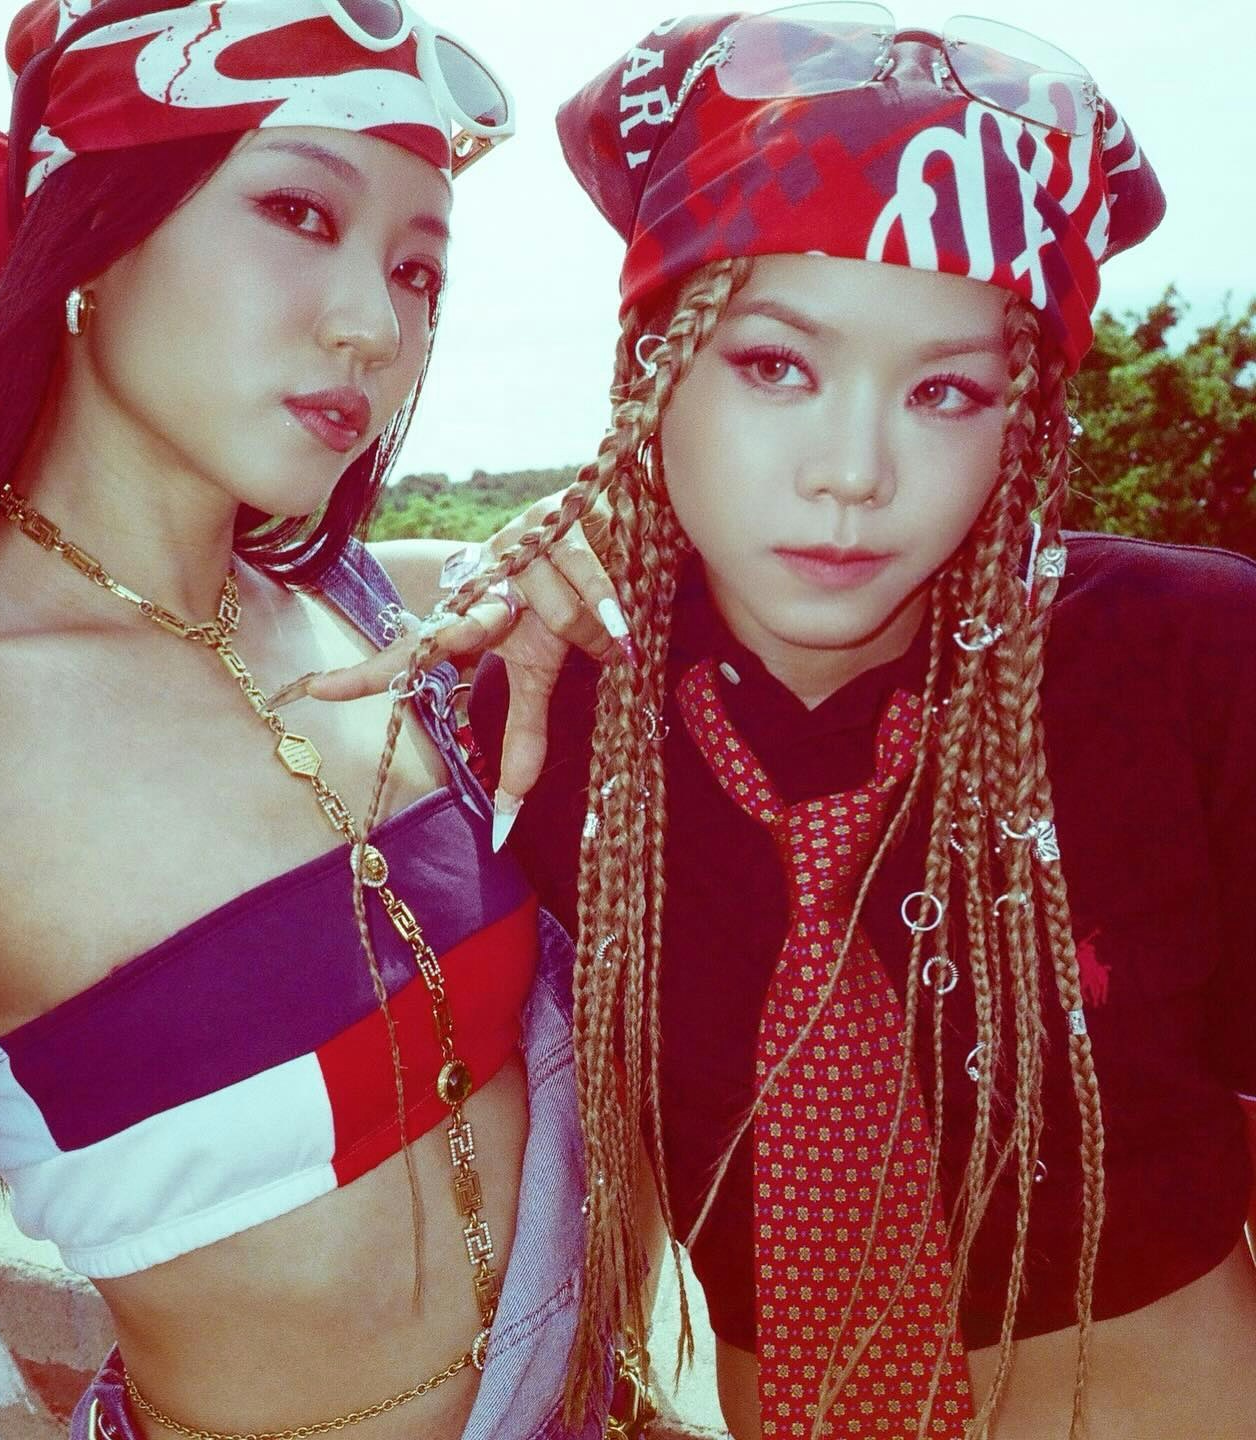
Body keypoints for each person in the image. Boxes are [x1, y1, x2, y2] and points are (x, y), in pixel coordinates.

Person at [348, 9, 1256, 1438]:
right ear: (654, 371)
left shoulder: (1188, 660)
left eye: (946, 391)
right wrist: (499, 573)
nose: (853, 471)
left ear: (1021, 424)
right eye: (776, 365)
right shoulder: (547, 710)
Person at [0, 3, 615, 1438]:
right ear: (87, 238)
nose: (376, 325)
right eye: (299, 211)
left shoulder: (385, 620)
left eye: (418, 268)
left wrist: (570, 551)